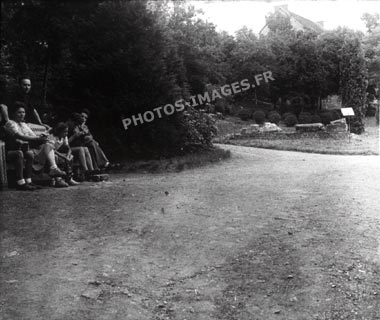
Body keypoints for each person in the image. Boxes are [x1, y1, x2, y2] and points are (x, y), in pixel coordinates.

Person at [4, 102, 66, 188]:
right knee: (20, 153)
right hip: (9, 151)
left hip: (24, 149)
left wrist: (43, 136)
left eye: (23, 112)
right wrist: (37, 139)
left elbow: (33, 135)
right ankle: (21, 183)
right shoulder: (10, 123)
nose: (22, 114)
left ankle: (29, 181)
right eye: (19, 112)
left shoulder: (24, 125)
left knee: (34, 151)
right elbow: (19, 136)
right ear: (13, 113)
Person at [47, 122, 80, 187]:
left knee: (71, 156)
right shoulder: (52, 137)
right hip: (49, 153)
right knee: (56, 157)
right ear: (59, 131)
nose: (66, 133)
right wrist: (64, 157)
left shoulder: (64, 137)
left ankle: (69, 178)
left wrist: (67, 156)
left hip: (56, 153)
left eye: (67, 132)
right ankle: (58, 179)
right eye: (64, 132)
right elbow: (52, 150)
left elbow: (69, 149)